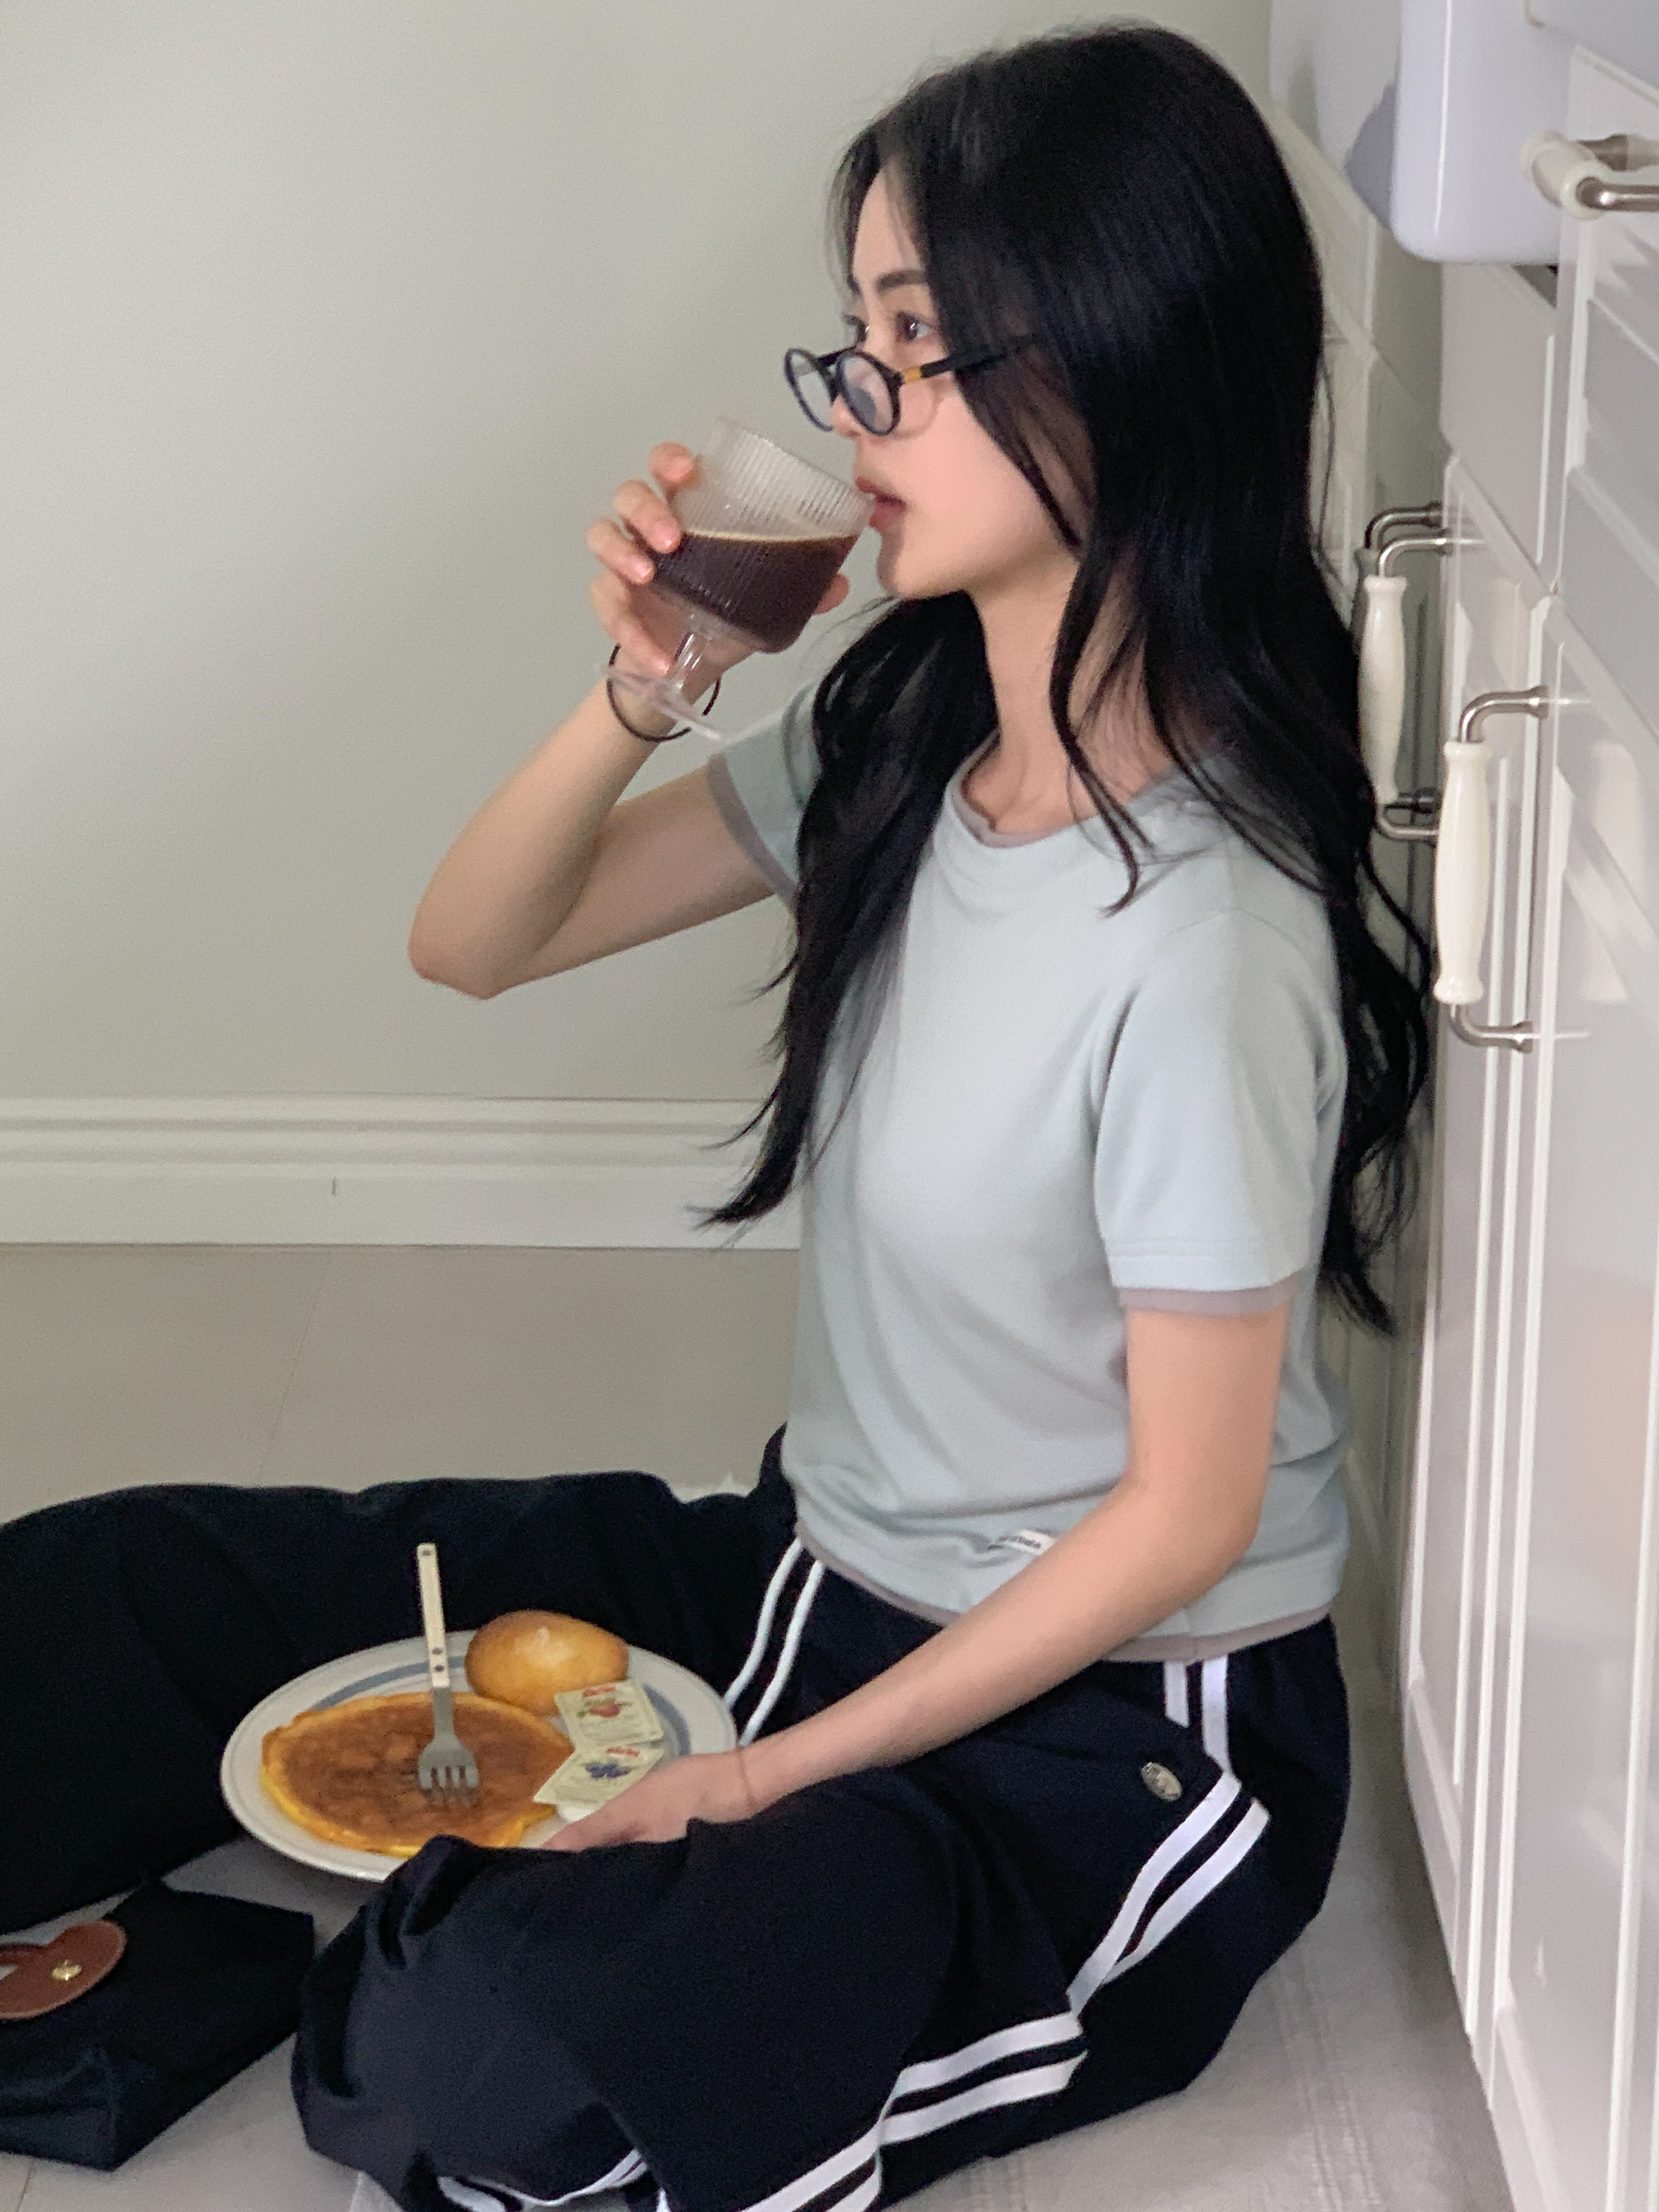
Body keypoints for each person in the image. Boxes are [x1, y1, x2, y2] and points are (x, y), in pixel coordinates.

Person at [0, 23, 1432, 2212]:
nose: (857, 406)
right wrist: (646, 680)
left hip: (1111, 1735)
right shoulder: (900, 742)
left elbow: (1181, 1519)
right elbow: (476, 941)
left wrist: (754, 1786)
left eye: (918, 347)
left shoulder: (1207, 933)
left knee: (501, 2058)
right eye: (858, 340)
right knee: (104, 1590)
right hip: (807, 1575)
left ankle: (454, 1966)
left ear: (1129, 364)